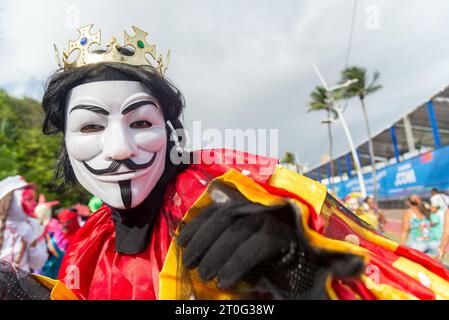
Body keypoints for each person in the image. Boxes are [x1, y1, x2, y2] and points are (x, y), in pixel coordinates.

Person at [2, 25, 449, 300]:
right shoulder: (88, 242)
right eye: (90, 128)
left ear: (170, 132)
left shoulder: (237, 192)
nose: (119, 147)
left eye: (140, 121)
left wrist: (308, 276)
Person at [0, 176, 48, 272]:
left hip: (22, 283)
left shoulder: (35, 226)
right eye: (29, 199)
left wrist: (32, 240)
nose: (34, 204)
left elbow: (38, 264)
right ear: (12, 201)